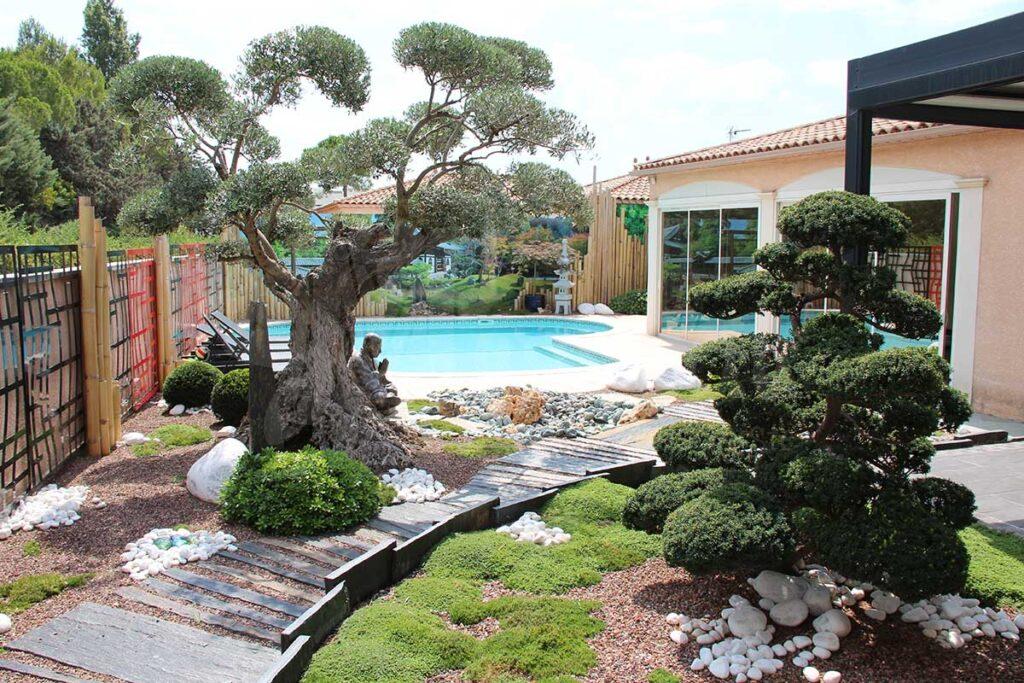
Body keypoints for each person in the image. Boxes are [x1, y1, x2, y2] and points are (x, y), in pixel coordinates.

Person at [348, 333, 401, 414]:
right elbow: (368, 383)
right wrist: (381, 373)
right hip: (365, 392)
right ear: (367, 345)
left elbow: (379, 380)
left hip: (375, 388)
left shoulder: (371, 359)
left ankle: (386, 402)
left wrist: (382, 377)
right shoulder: (358, 360)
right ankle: (383, 404)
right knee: (378, 397)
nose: (380, 351)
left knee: (392, 387)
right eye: (377, 347)